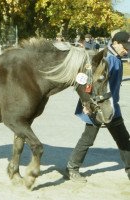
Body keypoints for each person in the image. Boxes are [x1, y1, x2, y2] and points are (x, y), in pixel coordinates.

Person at [66, 31, 130, 183]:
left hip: (111, 107)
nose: (127, 49)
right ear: (115, 43)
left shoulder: (116, 58)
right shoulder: (106, 59)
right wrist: (86, 103)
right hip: (98, 106)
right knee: (88, 139)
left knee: (123, 140)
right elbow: (87, 83)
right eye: (125, 46)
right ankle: (72, 168)